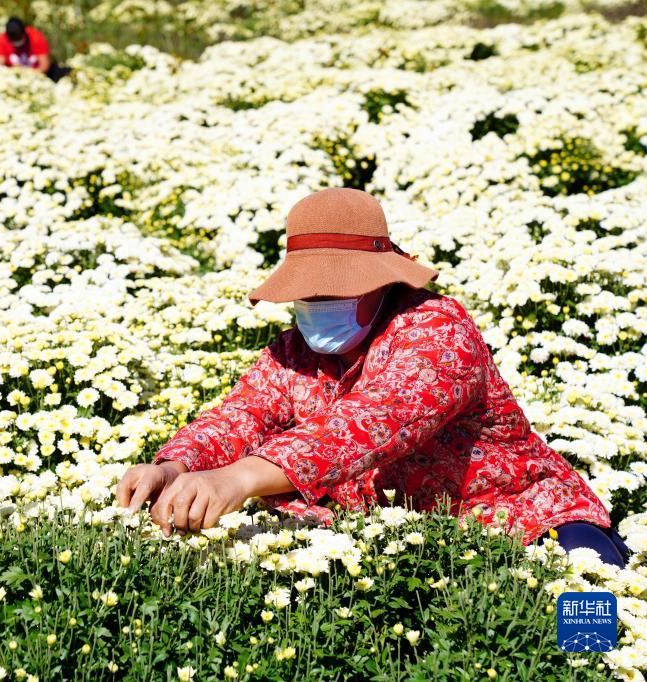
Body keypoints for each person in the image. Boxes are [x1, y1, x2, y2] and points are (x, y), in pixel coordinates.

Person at [115, 188, 632, 568]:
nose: (318, 303)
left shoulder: (437, 330)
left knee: (588, 633)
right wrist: (175, 466)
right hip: (402, 550)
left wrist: (240, 478)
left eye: (335, 289)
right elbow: (241, 415)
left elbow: (375, 420)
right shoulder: (293, 351)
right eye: (308, 292)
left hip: (524, 525)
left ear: (382, 283)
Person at [0, 17, 71, 83]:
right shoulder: (2, 39)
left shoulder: (35, 36)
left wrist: (29, 76)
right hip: (13, 79)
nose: (17, 42)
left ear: (24, 32)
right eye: (14, 40)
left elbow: (44, 66)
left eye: (19, 38)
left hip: (38, 77)